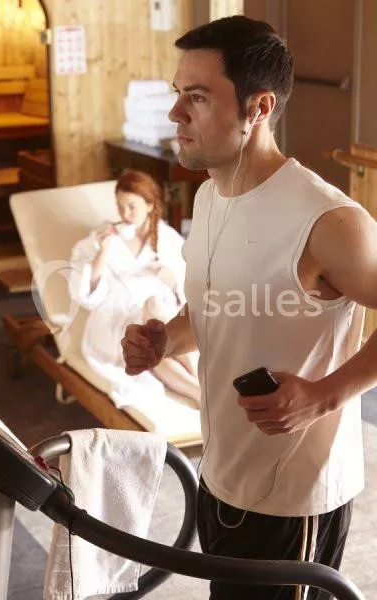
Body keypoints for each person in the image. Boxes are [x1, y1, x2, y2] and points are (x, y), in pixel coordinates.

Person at [121, 15, 377, 600]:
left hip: (293, 500)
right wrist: (165, 340)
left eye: (197, 97)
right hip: (222, 473)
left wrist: (322, 396)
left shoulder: (329, 221)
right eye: (177, 93)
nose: (175, 113)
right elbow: (216, 309)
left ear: (259, 108)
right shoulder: (211, 194)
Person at [69, 168, 199, 409]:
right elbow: (86, 297)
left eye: (132, 206)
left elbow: (190, 290)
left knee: (155, 321)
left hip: (160, 313)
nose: (124, 214)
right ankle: (201, 391)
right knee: (152, 333)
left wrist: (171, 280)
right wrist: (102, 253)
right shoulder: (101, 239)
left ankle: (199, 388)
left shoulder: (169, 239)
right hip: (114, 319)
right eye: (119, 206)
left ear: (150, 205)